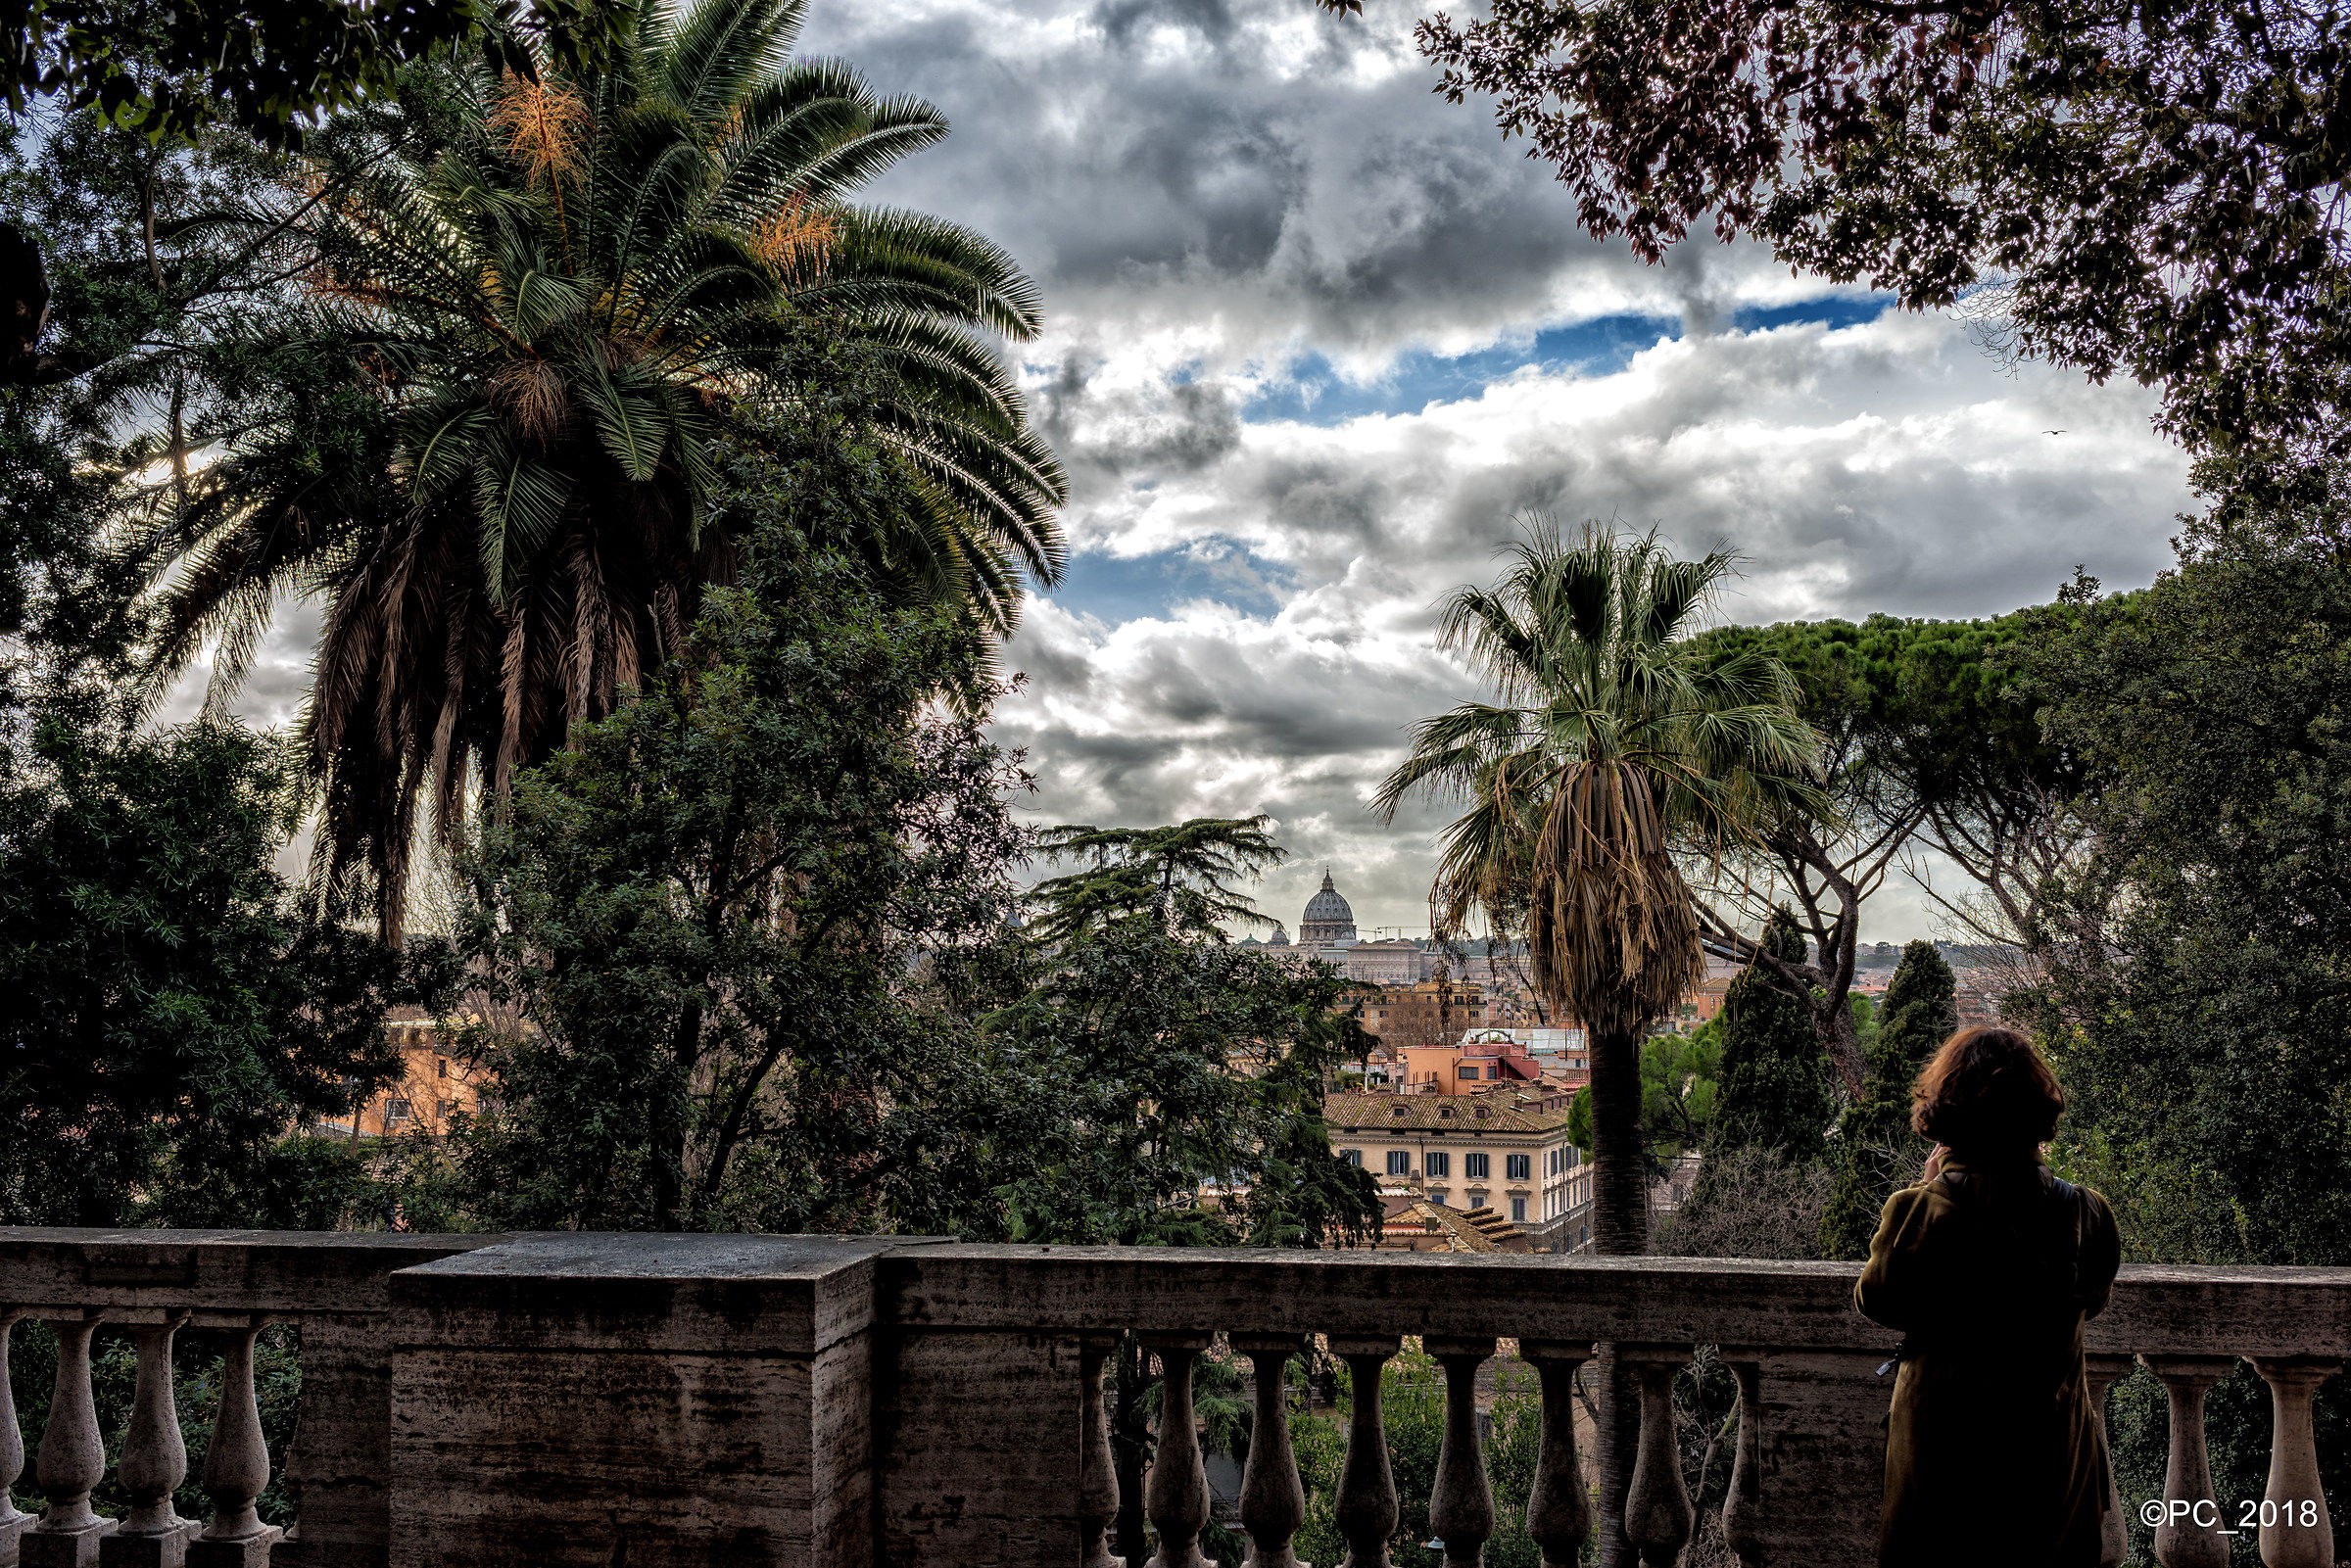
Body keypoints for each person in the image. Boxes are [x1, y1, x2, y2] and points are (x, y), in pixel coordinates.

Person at [1855, 1025, 2123, 1568]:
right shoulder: (2086, 1213)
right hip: (2050, 1451)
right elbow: (2091, 1300)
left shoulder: (1921, 1210)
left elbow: (1877, 1300)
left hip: (1946, 1453)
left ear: (1948, 1115)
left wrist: (1930, 1185)